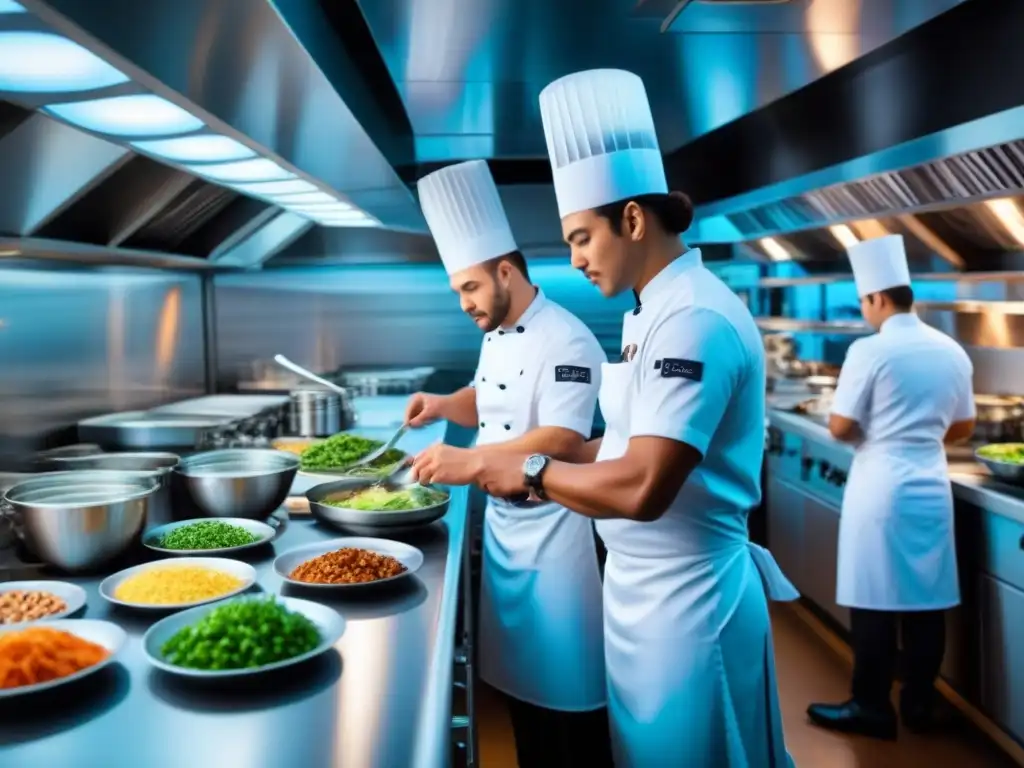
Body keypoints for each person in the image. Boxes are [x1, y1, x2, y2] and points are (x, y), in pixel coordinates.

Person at [416, 69, 798, 768]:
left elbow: (644, 485)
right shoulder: (649, 312)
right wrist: (501, 458)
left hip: (690, 605)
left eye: (581, 238)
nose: (575, 259)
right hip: (642, 598)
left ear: (631, 219)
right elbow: (617, 447)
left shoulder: (695, 321)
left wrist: (524, 467)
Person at [405, 159, 613, 767]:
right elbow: (492, 400)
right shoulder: (495, 329)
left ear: (504, 271)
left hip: (557, 544)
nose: (465, 304)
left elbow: (564, 439)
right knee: (525, 712)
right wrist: (442, 405)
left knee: (568, 711)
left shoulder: (567, 339)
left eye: (470, 288)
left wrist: (467, 461)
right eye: (458, 293)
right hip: (506, 540)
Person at [807, 234, 976, 739]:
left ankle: (871, 707)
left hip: (880, 485)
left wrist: (880, 432)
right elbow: (963, 426)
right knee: (927, 603)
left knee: (874, 601)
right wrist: (920, 433)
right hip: (930, 482)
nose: (864, 311)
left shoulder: (869, 350)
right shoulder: (951, 350)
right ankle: (919, 706)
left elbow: (840, 427)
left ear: (877, 298)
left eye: (864, 302)